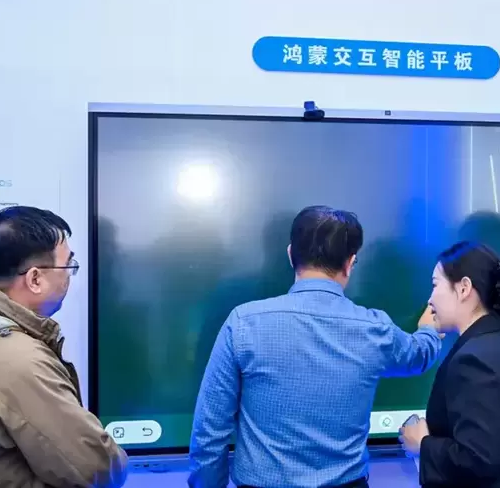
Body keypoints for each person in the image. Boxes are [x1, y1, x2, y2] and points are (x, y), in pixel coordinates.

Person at [189, 205, 443, 488]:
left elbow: (210, 429)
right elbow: (418, 356)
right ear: (350, 263)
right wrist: (429, 330)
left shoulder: (243, 323)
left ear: (290, 254)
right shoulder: (374, 328)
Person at [0, 206, 128, 487]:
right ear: (35, 279)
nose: (70, 276)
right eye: (68, 266)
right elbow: (98, 469)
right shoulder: (18, 362)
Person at [399, 241, 500, 488]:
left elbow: (477, 460)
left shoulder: (474, 360)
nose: (430, 299)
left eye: (435, 285)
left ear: (464, 288)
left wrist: (422, 444)